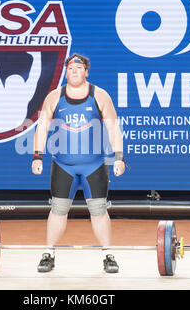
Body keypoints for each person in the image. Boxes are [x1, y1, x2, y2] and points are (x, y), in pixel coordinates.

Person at [32, 53, 125, 273]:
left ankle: (108, 254)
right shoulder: (54, 97)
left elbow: (113, 128)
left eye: (78, 68)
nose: (74, 72)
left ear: (86, 72)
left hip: (94, 165)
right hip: (64, 165)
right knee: (58, 209)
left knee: (99, 210)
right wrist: (37, 156)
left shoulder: (100, 95)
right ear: (66, 72)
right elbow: (42, 128)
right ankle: (48, 253)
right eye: (70, 69)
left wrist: (119, 157)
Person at [0, 51, 41, 132]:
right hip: (6, 131)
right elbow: (34, 77)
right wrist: (37, 57)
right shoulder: (24, 97)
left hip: (3, 131)